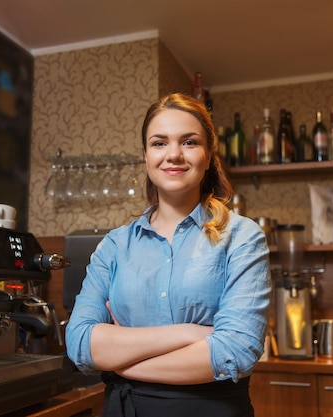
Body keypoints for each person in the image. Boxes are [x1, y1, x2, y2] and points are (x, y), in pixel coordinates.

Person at [65, 92, 271, 417]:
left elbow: (236, 350)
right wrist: (189, 333)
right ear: (146, 156)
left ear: (208, 155)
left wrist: (121, 361)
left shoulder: (242, 237)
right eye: (159, 143)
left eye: (189, 142)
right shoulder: (114, 246)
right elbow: (79, 344)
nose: (173, 154)